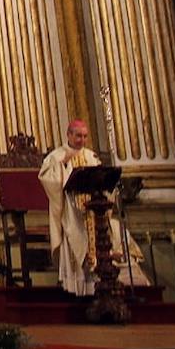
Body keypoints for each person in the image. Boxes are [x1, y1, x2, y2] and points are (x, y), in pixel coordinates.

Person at [38, 120, 100, 296]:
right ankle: (76, 288)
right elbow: (46, 179)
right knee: (74, 241)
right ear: (69, 134)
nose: (82, 140)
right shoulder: (56, 156)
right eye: (78, 136)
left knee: (94, 242)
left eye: (85, 136)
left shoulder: (91, 156)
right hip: (70, 210)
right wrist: (62, 165)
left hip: (91, 210)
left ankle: (93, 287)